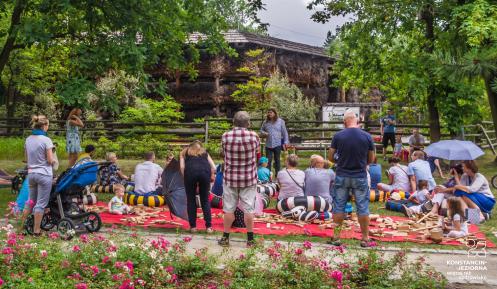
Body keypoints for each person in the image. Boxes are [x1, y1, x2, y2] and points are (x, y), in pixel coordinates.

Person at [328, 110, 375, 248]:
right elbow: (371, 158)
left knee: (339, 206)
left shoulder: (338, 136)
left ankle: (336, 237)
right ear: (358, 122)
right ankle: (365, 239)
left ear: (344, 122)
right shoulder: (367, 136)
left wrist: (339, 160)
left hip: (342, 175)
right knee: (362, 207)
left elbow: (331, 157)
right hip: (360, 175)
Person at [219, 111, 260, 247]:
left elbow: (222, 154)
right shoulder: (254, 136)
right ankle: (250, 239)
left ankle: (225, 238)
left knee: (229, 209)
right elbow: (258, 155)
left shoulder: (225, 136)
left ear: (233, 122)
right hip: (248, 178)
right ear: (248, 123)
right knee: (249, 209)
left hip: (230, 178)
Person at [21, 115, 55, 235]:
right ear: (44, 126)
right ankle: (36, 231)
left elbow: (25, 159)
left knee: (30, 201)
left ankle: (22, 228)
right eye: (48, 126)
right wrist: (54, 161)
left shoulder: (28, 139)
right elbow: (50, 160)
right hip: (44, 174)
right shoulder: (46, 140)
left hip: (31, 174)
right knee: (40, 204)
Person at [179, 141, 216, 233]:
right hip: (204, 174)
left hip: (190, 174)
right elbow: (214, 167)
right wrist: (210, 174)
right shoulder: (204, 153)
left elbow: (182, 167)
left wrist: (185, 177)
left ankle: (193, 227)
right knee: (205, 200)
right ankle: (209, 227)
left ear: (189, 146)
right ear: (200, 147)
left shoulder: (184, 152)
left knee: (191, 200)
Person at [260, 108, 289, 174]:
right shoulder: (265, 122)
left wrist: (286, 142)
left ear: (275, 113)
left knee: (277, 160)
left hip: (277, 144)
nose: (269, 114)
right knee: (268, 161)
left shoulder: (281, 121)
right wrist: (265, 133)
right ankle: (268, 175)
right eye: (268, 112)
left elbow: (284, 132)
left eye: (271, 112)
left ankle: (278, 175)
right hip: (268, 145)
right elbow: (261, 130)